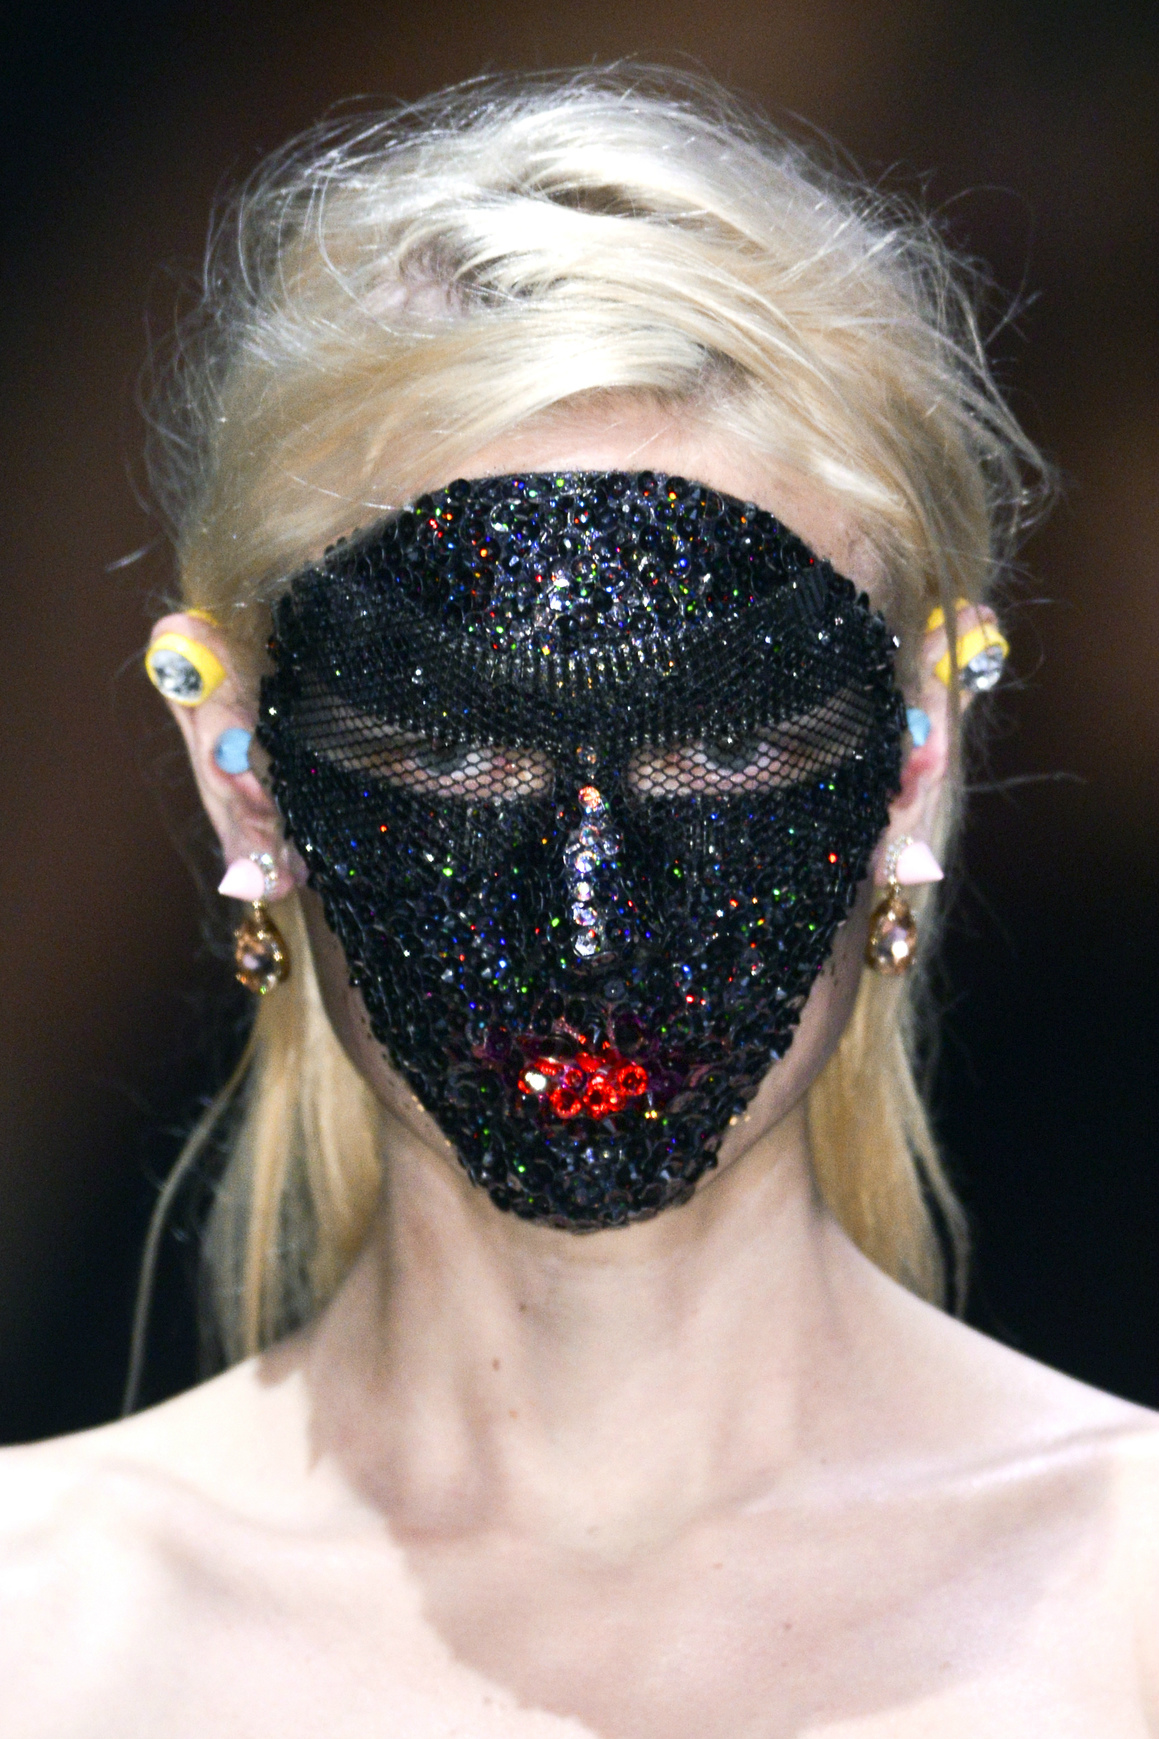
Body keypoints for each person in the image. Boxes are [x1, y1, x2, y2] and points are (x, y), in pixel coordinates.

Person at [2, 71, 1156, 1738]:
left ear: (916, 760)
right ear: (241, 768)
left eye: (725, 742)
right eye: (455, 744)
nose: (592, 921)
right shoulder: (39, 1632)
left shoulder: (1131, 1602)